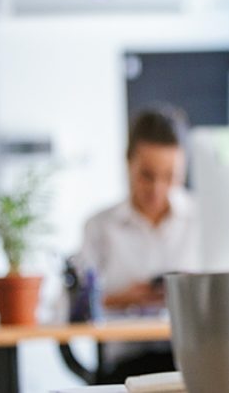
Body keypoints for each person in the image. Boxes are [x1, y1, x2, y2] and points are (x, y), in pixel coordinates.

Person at [75, 107, 201, 380]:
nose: (157, 189)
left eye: (170, 177)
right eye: (146, 175)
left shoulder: (203, 219)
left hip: (193, 360)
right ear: (128, 163)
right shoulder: (100, 226)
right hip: (126, 366)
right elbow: (72, 308)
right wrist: (122, 299)